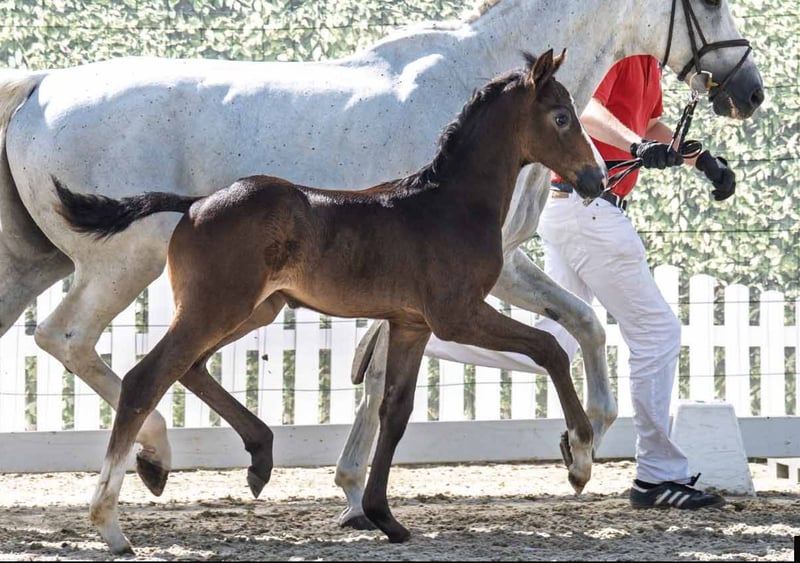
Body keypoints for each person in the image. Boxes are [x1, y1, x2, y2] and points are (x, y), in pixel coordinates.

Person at [536, 54, 735, 509]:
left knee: (553, 342)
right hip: (591, 211)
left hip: (573, 209)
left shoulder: (648, 60)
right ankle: (658, 476)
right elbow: (585, 109)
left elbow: (650, 123)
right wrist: (636, 146)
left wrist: (704, 162)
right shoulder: (620, 52)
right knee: (656, 332)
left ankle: (423, 328)